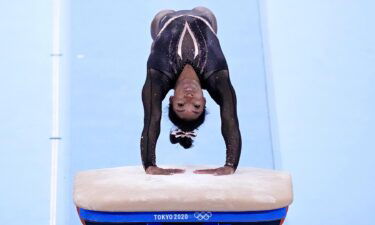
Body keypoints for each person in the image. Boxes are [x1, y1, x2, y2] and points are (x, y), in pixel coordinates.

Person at [141, 7, 242, 175]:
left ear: (171, 99)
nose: (189, 98)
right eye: (196, 106)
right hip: (206, 17)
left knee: (162, 17)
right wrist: (230, 165)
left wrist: (149, 165)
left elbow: (152, 119)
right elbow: (230, 118)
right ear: (204, 101)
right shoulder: (217, 76)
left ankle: (158, 37)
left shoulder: (158, 75)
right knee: (204, 12)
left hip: (163, 20)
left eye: (181, 105)